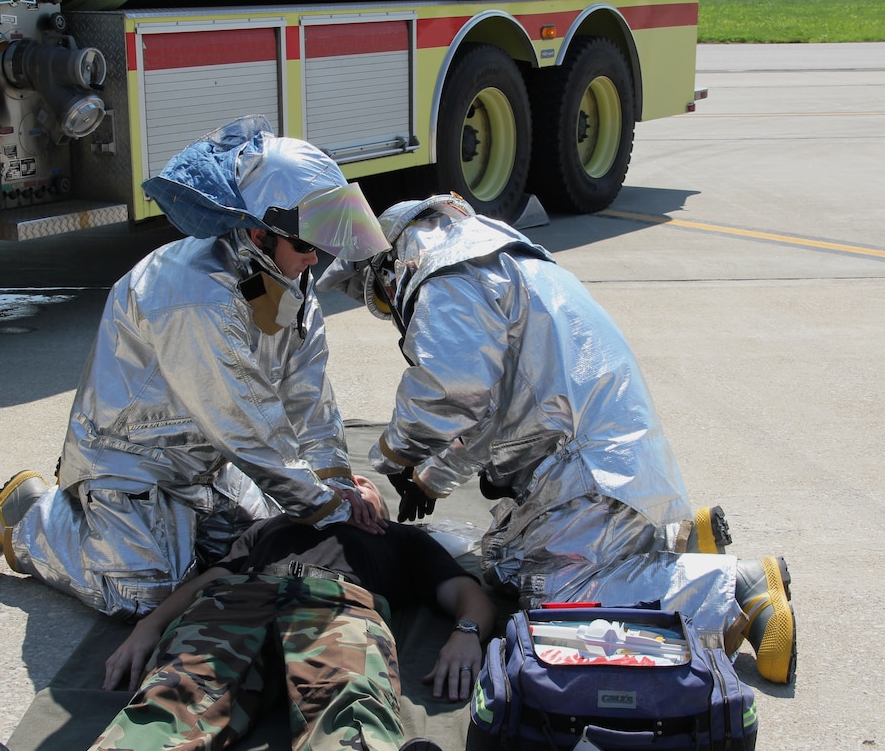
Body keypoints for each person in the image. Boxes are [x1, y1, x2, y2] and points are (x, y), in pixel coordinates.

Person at [317, 193, 797, 684]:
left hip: (587, 467)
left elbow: (451, 389)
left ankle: (733, 588)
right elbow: (493, 411)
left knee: (552, 598)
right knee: (506, 564)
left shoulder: (446, 279)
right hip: (600, 453)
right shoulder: (498, 264)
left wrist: (397, 453)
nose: (388, 308)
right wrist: (432, 477)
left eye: (378, 297)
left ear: (391, 265)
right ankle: (675, 538)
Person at [0, 115, 392, 619]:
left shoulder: (291, 284)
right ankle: (32, 517)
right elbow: (244, 424)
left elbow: (309, 398)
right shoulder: (193, 294)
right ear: (258, 231)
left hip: (205, 458)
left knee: (270, 542)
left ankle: (143, 529)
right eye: (306, 243)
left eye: (325, 240)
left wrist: (335, 482)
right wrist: (331, 509)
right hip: (132, 460)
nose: (316, 258)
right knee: (149, 598)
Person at [0, 475, 495, 751]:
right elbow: (208, 582)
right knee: (178, 694)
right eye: (335, 478)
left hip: (338, 607)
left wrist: (467, 634)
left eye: (360, 483)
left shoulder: (399, 540)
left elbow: (465, 591)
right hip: (239, 601)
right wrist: (148, 627)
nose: (347, 487)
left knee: (348, 697)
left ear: (378, 503)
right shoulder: (274, 528)